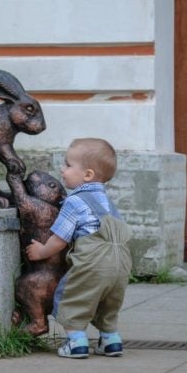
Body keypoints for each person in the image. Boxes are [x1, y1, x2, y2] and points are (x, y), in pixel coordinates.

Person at [26, 137, 132, 359]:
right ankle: (111, 340)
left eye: (68, 165)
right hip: (121, 261)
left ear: (88, 175)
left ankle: (76, 342)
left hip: (94, 260)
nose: (62, 169)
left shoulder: (75, 201)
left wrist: (42, 251)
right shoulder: (106, 200)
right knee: (108, 300)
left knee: (72, 295)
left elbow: (60, 238)